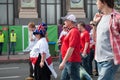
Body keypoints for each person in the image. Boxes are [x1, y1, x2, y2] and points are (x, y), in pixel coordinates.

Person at [91, 0, 120, 80]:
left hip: (110, 58)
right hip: (99, 59)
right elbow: (94, 38)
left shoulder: (117, 17)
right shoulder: (100, 18)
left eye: (97, 1)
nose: (96, 3)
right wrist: (94, 24)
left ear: (103, 2)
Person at [59, 14, 82, 80]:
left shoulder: (74, 31)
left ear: (70, 21)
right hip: (69, 61)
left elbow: (71, 48)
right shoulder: (72, 31)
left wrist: (63, 62)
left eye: (66, 20)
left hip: (72, 61)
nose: (64, 22)